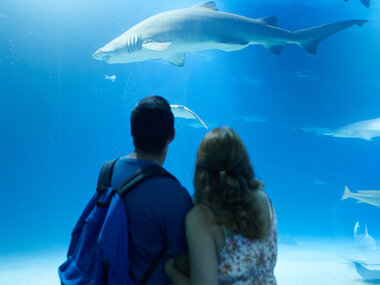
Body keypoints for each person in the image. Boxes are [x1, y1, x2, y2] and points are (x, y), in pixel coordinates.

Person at [165, 126, 277, 284]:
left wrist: (170, 270)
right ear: (243, 161)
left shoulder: (202, 218)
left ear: (201, 167)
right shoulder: (264, 200)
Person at [111, 95, 192, 284]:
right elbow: (185, 266)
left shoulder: (107, 172)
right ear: (172, 134)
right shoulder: (175, 195)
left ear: (132, 130)